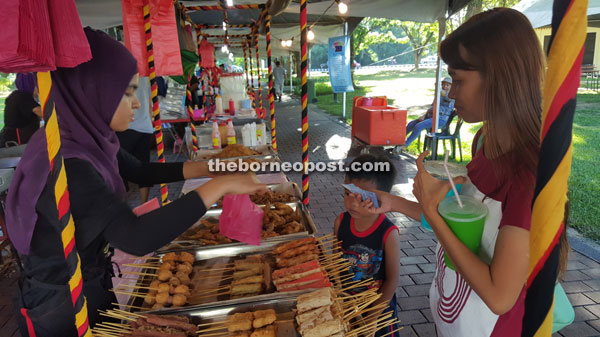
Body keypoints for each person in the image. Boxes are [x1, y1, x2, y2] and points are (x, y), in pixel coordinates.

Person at [6, 28, 266, 337]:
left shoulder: (82, 138)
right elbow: (135, 237)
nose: (138, 104)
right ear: (92, 91)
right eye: (128, 93)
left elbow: (141, 171)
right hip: (61, 304)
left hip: (86, 281)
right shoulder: (68, 163)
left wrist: (213, 167)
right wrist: (220, 186)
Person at [354, 8, 562, 336]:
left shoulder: (526, 176)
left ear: (500, 78)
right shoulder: (484, 141)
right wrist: (391, 203)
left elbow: (499, 296)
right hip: (454, 319)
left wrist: (435, 215)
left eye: (459, 81)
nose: (451, 93)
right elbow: (465, 224)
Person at [334, 154, 400, 337]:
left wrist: (372, 318)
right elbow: (334, 264)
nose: (353, 202)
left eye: (362, 197)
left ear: (382, 197)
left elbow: (392, 280)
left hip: (378, 311)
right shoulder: (340, 222)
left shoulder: (389, 233)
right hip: (346, 304)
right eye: (348, 193)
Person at [116, 76, 155, 204]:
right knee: (143, 166)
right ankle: (144, 204)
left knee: (117, 165)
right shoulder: (146, 77)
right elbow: (150, 103)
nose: (136, 103)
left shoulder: (124, 74)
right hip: (145, 126)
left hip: (129, 126)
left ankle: (124, 203)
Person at [403, 77, 454, 149]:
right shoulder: (439, 95)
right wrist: (424, 116)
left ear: (452, 87)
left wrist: (438, 88)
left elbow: (446, 95)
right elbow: (432, 108)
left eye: (447, 85)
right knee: (412, 123)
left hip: (440, 120)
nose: (444, 87)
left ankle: (404, 145)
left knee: (419, 126)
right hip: (431, 117)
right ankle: (398, 141)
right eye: (443, 85)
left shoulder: (452, 95)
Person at [0, 73, 42, 147]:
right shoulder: (23, 96)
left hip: (13, 140)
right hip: (16, 144)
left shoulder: (17, 95)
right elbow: (44, 113)